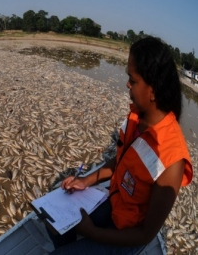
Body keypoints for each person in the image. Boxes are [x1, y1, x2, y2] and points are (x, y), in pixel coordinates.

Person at [48, 36, 193, 254]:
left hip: (129, 235)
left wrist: (91, 232)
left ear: (153, 90)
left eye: (132, 80)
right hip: (114, 204)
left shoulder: (172, 158)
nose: (127, 84)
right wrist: (85, 180)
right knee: (53, 223)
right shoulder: (136, 118)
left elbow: (145, 233)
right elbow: (120, 160)